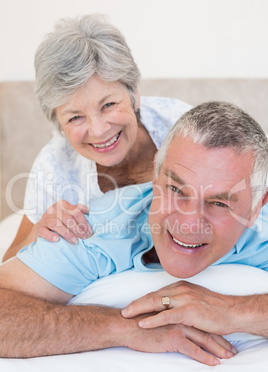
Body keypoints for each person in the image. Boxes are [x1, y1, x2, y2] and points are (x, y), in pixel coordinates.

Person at [0, 101, 267, 366]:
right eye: (175, 189)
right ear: (155, 174)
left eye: (219, 203)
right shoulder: (94, 228)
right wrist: (122, 328)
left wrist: (232, 311)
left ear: (256, 207)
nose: (189, 223)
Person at [2, 14, 190, 262]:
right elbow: (8, 267)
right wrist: (38, 233)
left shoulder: (186, 128)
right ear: (59, 123)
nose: (99, 130)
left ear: (134, 94)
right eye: (75, 117)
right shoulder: (54, 165)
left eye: (109, 104)